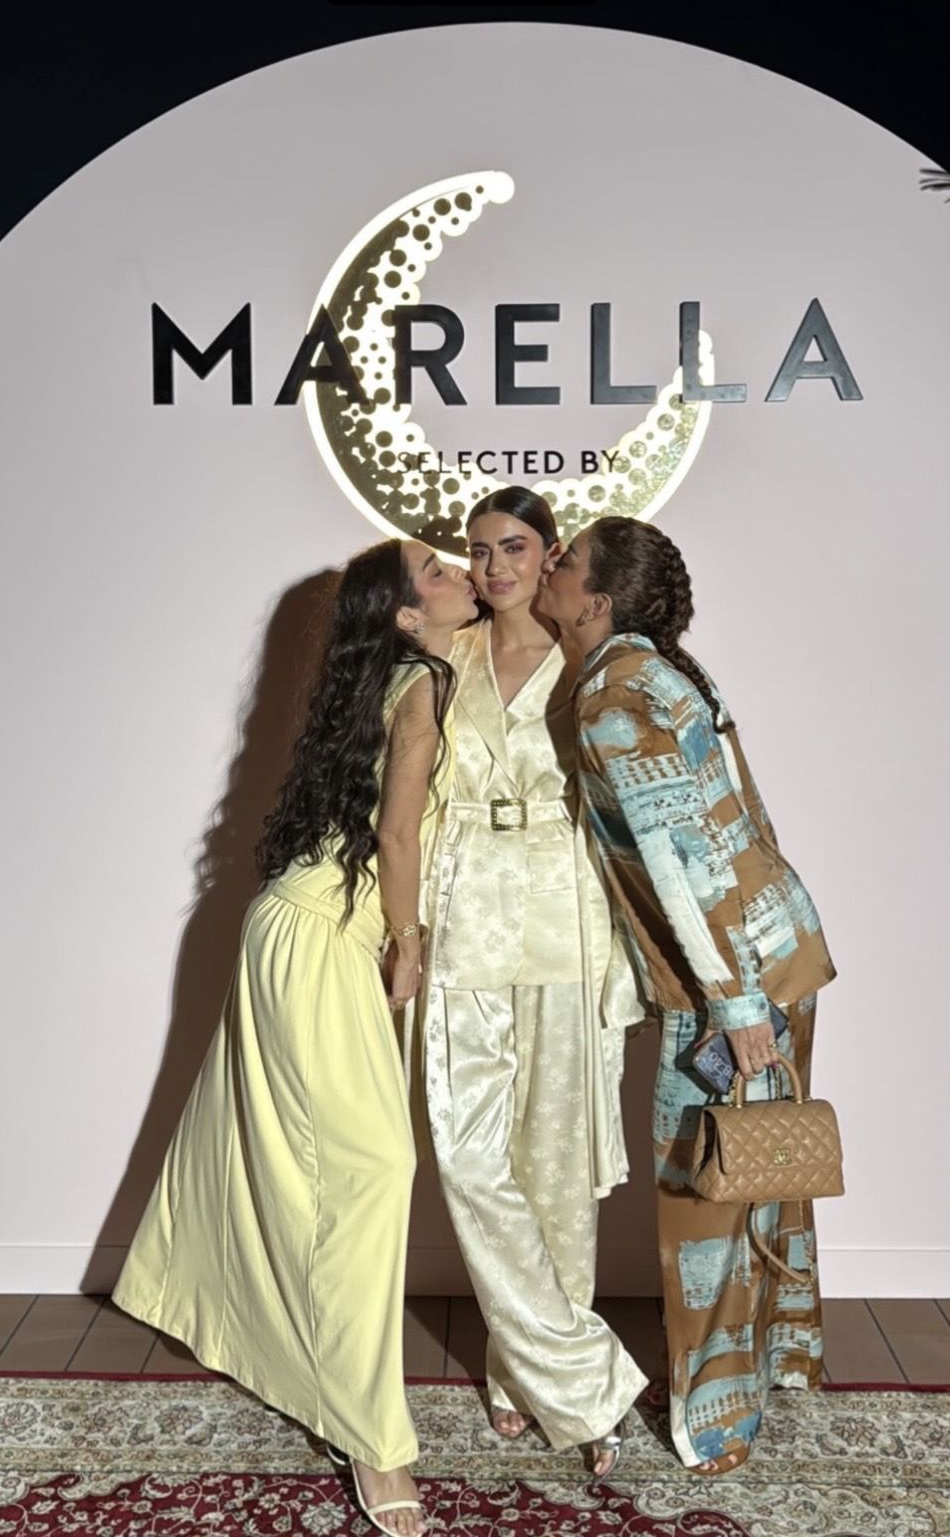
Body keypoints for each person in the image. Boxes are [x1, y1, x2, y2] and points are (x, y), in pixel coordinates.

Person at [113, 538, 477, 1537]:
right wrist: (409, 941)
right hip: (315, 938)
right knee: (373, 1162)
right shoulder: (421, 684)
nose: (459, 573)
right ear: (405, 614)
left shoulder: (410, 673)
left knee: (324, 1162)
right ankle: (373, 1437)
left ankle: (275, 1339)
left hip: (301, 930)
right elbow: (396, 834)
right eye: (438, 571)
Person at [539, 515, 836, 1475]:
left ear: (597, 600)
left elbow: (680, 860)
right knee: (758, 1170)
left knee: (703, 1197)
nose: (549, 563)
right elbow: (746, 815)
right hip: (777, 947)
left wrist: (733, 1002)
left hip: (730, 978)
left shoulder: (615, 697)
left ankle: (718, 1420)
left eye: (565, 559)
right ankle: (784, 1358)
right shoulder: (659, 671)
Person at [416, 487, 648, 1479]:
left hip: (566, 913)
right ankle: (585, 1381)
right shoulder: (445, 654)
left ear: (550, 554)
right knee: (470, 1156)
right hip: (464, 906)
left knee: (553, 1161)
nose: (493, 566)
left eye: (513, 546)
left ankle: (523, 1374)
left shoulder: (591, 657)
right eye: (477, 550)